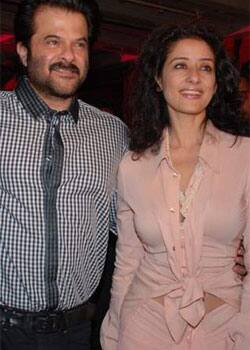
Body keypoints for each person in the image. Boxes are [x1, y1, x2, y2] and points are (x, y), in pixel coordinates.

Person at [101, 24, 250, 350]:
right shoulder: (133, 166)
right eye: (180, 65)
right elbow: (127, 262)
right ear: (158, 78)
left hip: (225, 328)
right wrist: (113, 331)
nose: (194, 76)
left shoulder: (245, 157)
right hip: (143, 327)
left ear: (215, 81)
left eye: (205, 67)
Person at [0, 1, 127, 349]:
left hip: (74, 334)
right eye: (53, 41)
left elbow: (136, 220)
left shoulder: (112, 133)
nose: (68, 56)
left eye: (80, 43)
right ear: (24, 52)